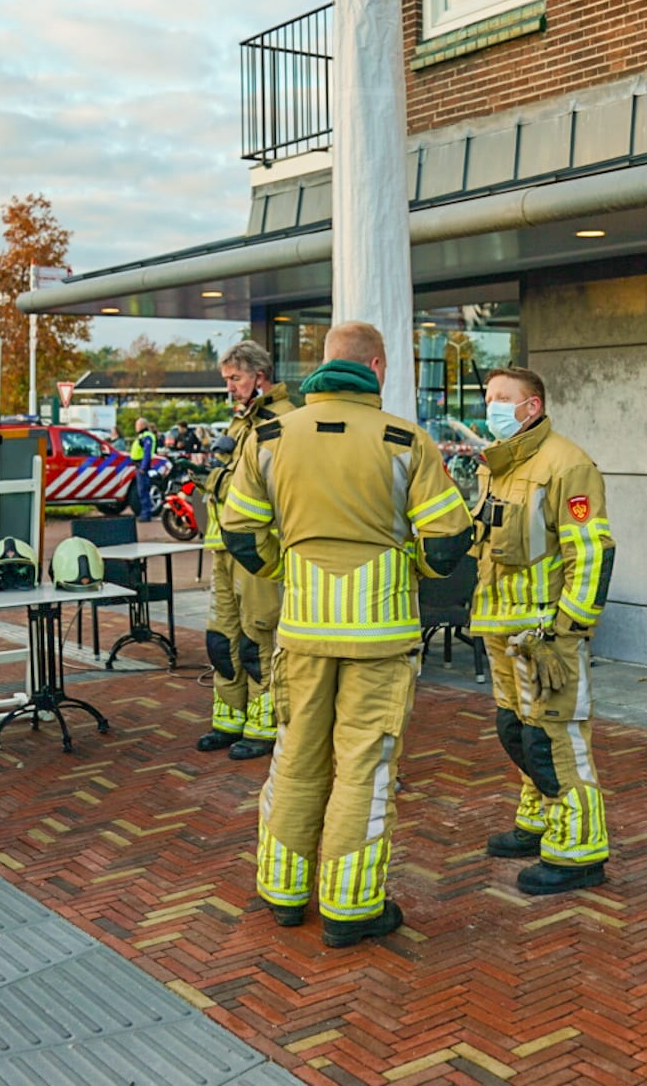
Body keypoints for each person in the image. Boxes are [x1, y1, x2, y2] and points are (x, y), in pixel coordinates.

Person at [221, 321, 472, 947]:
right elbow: (448, 540)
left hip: (300, 633)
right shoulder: (403, 439)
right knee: (364, 766)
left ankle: (282, 893)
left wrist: (289, 567)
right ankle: (350, 908)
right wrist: (407, 564)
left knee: (296, 757)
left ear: (323, 364)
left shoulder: (272, 435)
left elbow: (240, 532)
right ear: (378, 367)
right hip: (380, 637)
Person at [469, 367, 616, 895]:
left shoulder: (567, 464)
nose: (492, 406)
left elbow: (592, 551)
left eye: (503, 398)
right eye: (489, 397)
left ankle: (579, 853)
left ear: (532, 407)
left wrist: (567, 628)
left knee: (554, 739)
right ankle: (537, 822)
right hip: (500, 628)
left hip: (543, 634)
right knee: (518, 733)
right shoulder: (496, 465)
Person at [197, 341, 295, 760]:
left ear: (259, 375)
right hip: (223, 544)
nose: (230, 388)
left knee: (258, 638)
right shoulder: (244, 421)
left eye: (235, 379)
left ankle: (264, 725)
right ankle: (229, 719)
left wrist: (217, 482)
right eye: (227, 380)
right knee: (222, 638)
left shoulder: (284, 422)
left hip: (257, 548)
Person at [129, 418, 158, 521]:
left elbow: (147, 453)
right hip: (139, 465)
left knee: (143, 490)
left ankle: (146, 514)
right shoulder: (142, 436)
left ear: (142, 426)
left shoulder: (147, 437)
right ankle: (144, 513)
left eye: (137, 425)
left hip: (142, 465)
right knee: (141, 490)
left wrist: (143, 467)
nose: (135, 427)